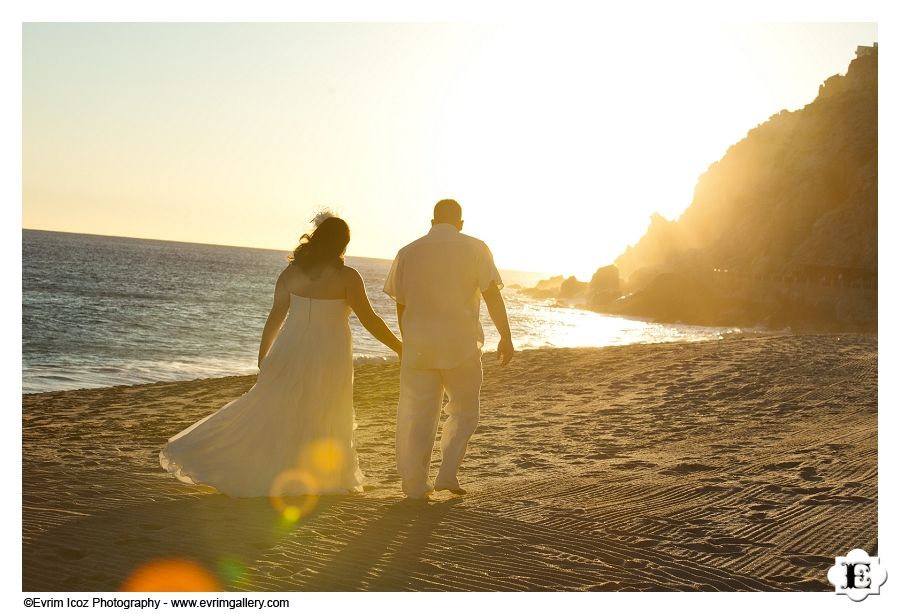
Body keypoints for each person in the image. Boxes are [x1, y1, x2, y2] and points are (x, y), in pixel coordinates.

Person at [160, 213, 402, 497]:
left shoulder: (291, 273)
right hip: (329, 352)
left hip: (290, 347)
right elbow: (369, 319)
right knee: (325, 409)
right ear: (342, 244)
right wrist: (399, 346)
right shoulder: (347, 276)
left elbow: (275, 317)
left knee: (280, 407)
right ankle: (323, 476)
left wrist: (264, 355)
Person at [384, 199, 514, 499]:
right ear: (461, 223)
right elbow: (491, 295)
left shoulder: (408, 252)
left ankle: (415, 486)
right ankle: (447, 474)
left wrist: (408, 342)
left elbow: (401, 305)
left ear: (432, 221)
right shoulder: (476, 248)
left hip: (418, 348)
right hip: (461, 346)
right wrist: (505, 336)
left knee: (417, 415)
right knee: (465, 412)